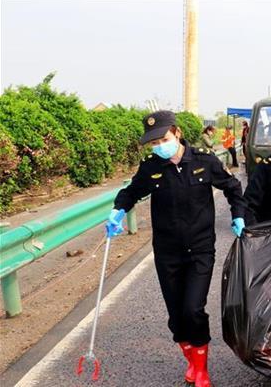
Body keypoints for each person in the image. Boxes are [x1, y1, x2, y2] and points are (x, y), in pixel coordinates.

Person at [106, 110, 247, 387]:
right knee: (176, 314)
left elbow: (233, 187)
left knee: (194, 308)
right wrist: (118, 211)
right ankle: (192, 362)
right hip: (167, 252)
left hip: (200, 249)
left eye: (164, 140)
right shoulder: (150, 167)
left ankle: (202, 370)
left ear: (177, 133)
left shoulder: (204, 162)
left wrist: (238, 214)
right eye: (154, 143)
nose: (159, 147)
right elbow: (131, 192)